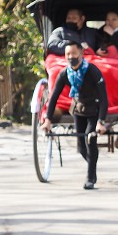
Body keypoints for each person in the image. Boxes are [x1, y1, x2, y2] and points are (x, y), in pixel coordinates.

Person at [41, 42, 108, 189]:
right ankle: (93, 166)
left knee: (90, 140)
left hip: (94, 110)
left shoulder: (92, 71)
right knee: (81, 147)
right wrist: (48, 119)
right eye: (67, 55)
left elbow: (104, 98)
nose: (71, 57)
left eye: (74, 54)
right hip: (78, 111)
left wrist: (101, 121)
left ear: (81, 54)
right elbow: (53, 97)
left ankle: (90, 177)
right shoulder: (65, 73)